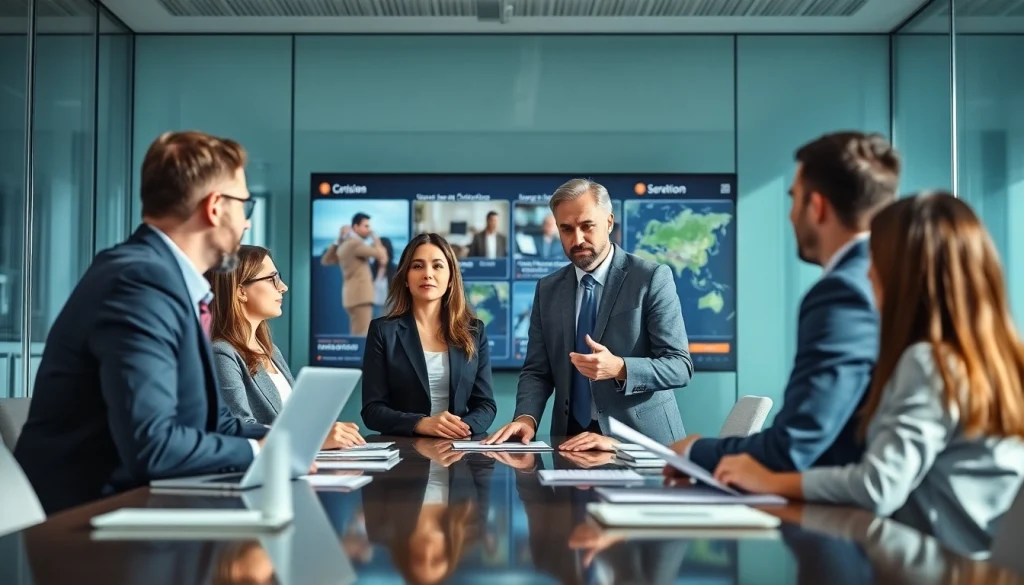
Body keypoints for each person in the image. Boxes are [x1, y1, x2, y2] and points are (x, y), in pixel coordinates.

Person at [708, 192, 1024, 558]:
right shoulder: (997, 363)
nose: (868, 272)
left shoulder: (929, 363)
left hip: (935, 568)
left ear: (906, 274)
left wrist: (771, 481)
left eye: (876, 260)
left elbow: (878, 485)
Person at [14, 131, 267, 514]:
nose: (246, 224)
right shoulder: (139, 282)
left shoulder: (166, 281)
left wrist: (290, 441)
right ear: (215, 207)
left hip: (141, 509)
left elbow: (216, 424)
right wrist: (259, 453)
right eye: (244, 206)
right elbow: (154, 445)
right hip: (86, 526)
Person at [668, 131, 900, 472]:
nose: (790, 215)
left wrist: (694, 452)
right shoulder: (891, 275)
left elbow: (795, 443)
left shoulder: (843, 292)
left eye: (794, 199)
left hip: (838, 500)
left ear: (817, 207)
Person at [484, 178, 692, 450]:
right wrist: (526, 418)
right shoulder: (547, 289)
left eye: (587, 226)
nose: (577, 239)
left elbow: (679, 366)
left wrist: (619, 368)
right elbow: (537, 371)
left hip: (641, 444)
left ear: (609, 222)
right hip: (571, 442)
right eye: (566, 229)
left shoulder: (650, 278)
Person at [206, 244, 365, 448]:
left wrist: (323, 431)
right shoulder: (221, 353)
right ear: (241, 291)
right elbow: (239, 428)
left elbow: (295, 421)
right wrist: (313, 438)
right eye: (272, 279)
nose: (283, 287)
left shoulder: (270, 350)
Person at [360, 233, 497, 437]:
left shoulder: (474, 331)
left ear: (451, 278)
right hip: (404, 448)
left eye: (437, 266)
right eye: (417, 266)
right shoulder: (382, 331)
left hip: (458, 446)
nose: (427, 274)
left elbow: (485, 405)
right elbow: (372, 410)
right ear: (406, 278)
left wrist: (461, 428)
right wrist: (420, 424)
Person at [321, 213, 388, 336]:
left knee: (357, 332)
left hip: (352, 296)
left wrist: (339, 239)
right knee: (362, 335)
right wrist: (375, 237)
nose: (369, 230)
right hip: (361, 297)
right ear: (355, 227)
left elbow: (326, 260)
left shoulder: (345, 245)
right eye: (366, 226)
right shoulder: (355, 244)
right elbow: (382, 255)